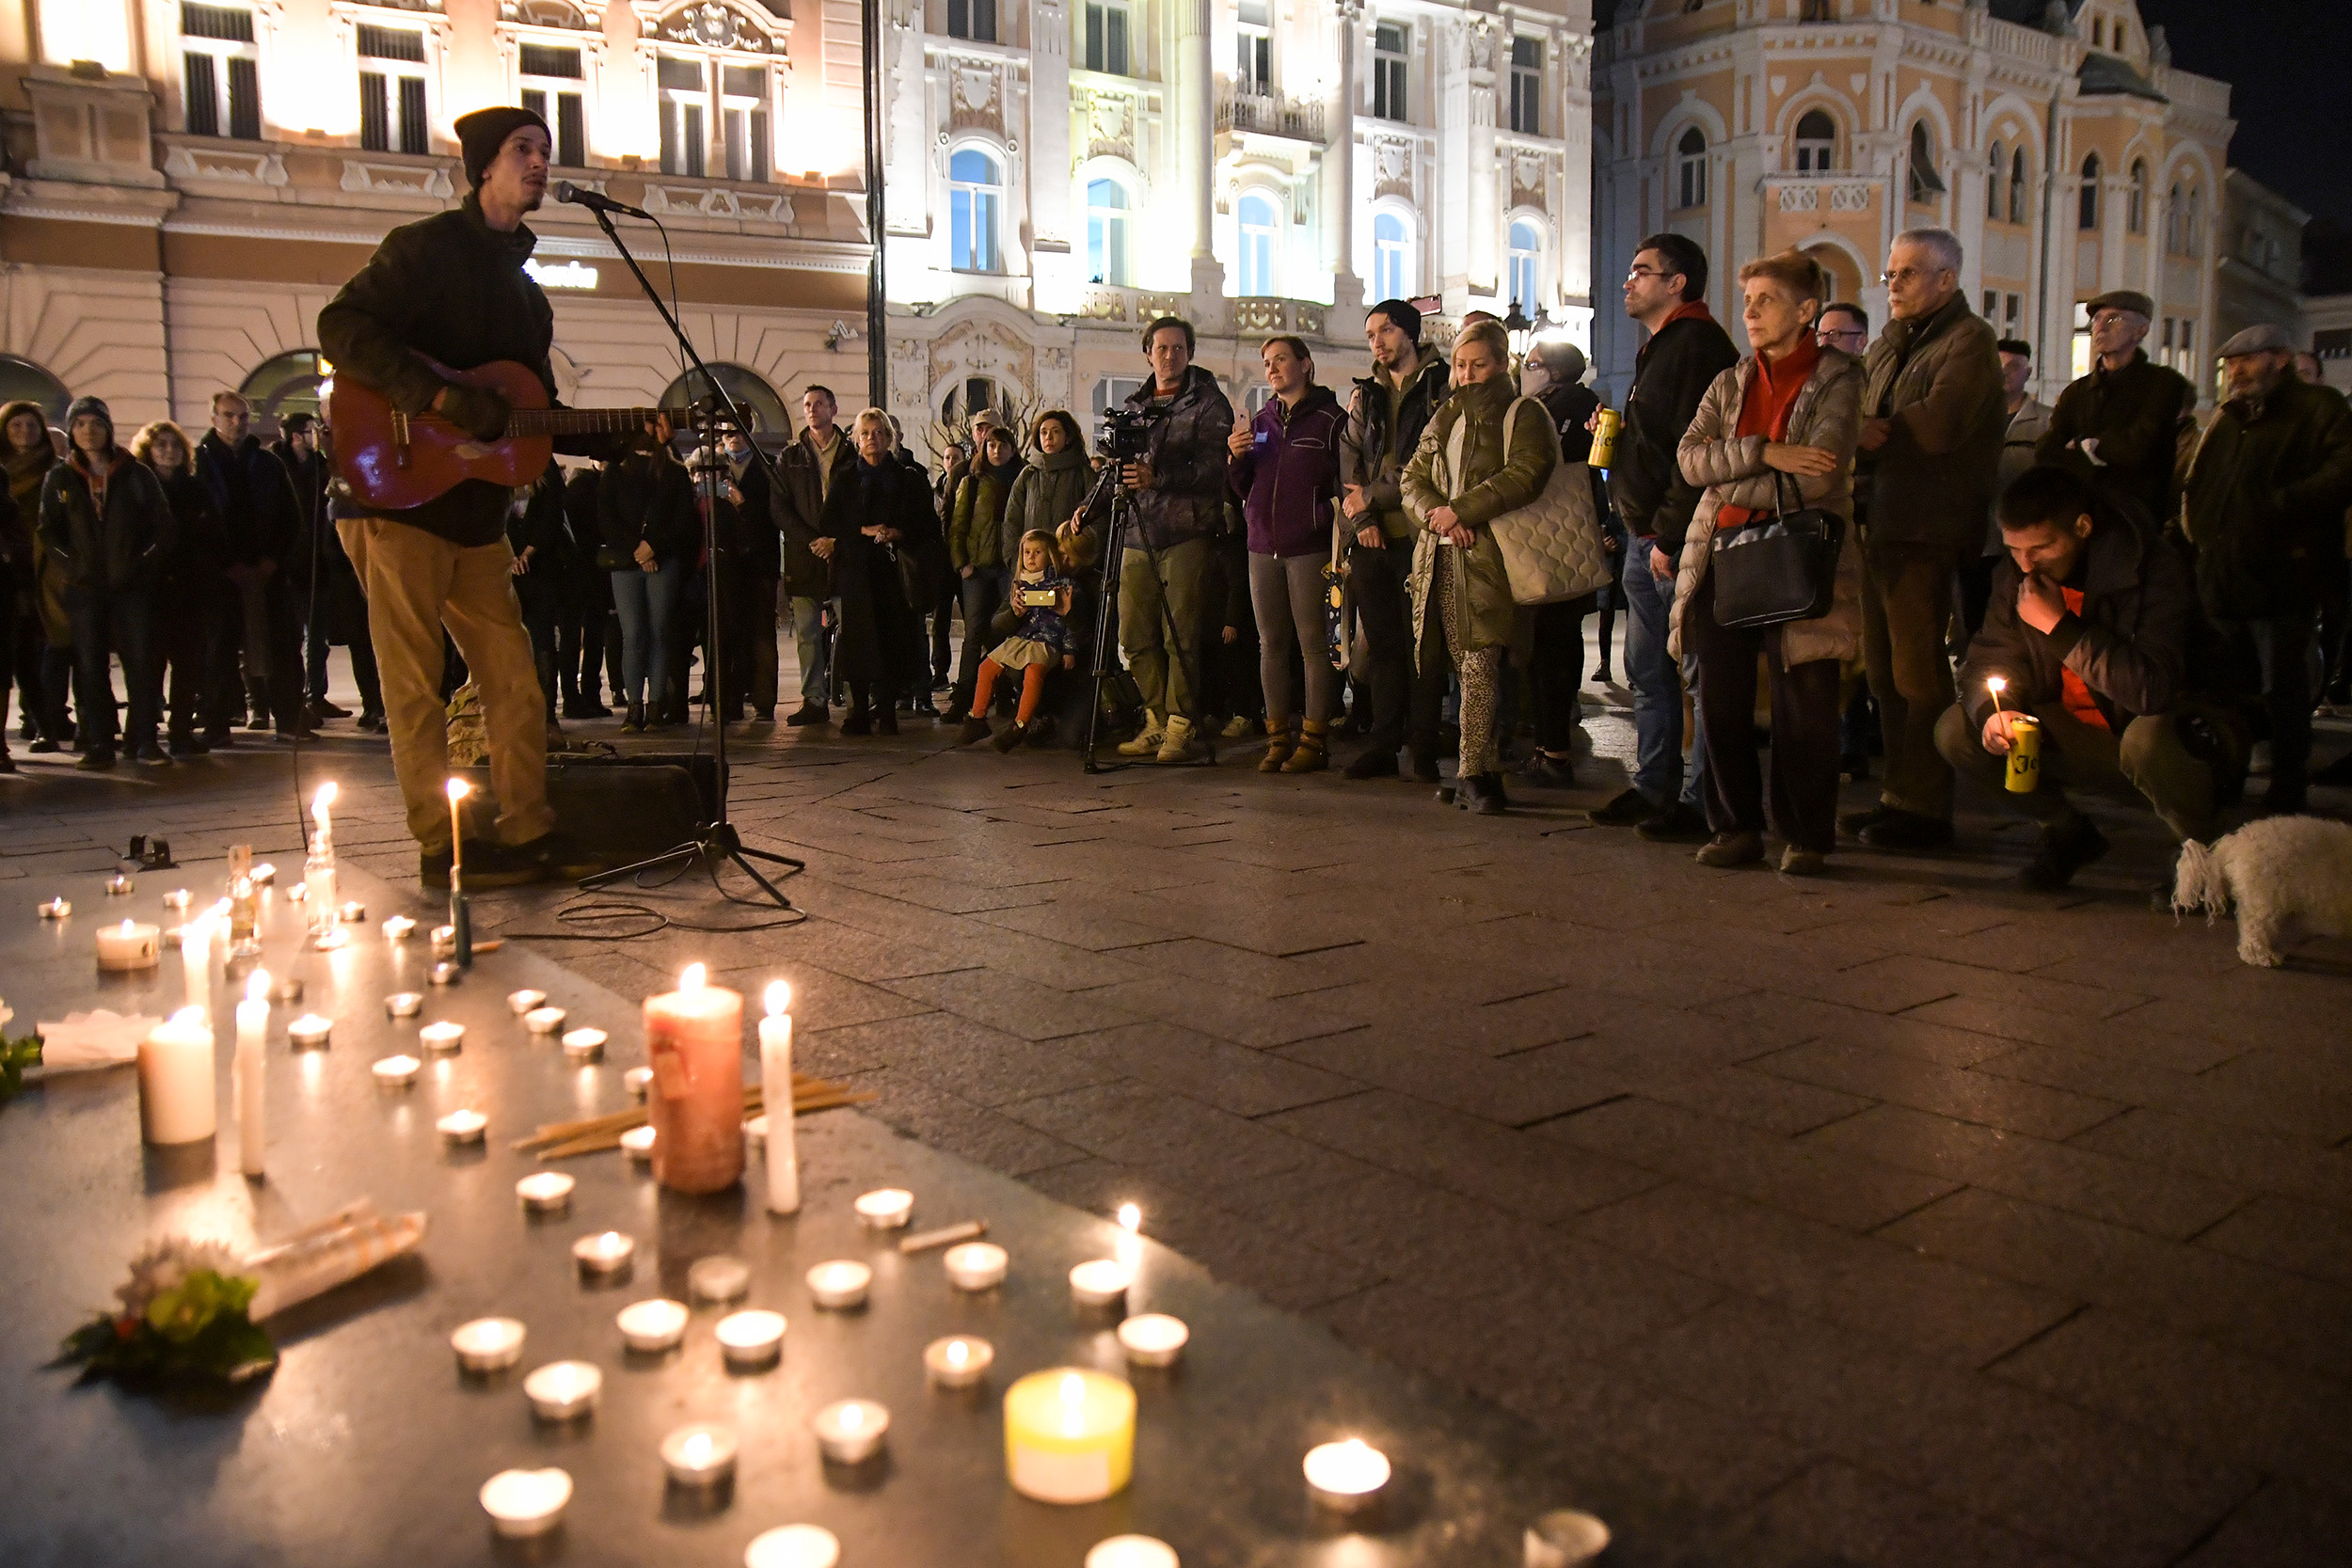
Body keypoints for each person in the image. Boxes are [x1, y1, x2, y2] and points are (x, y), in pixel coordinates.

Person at [316, 103, 621, 887]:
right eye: (524, 149)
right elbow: (342, 325)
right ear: (483, 165)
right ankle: (440, 843)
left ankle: (525, 829)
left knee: (514, 678)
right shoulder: (423, 252)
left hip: (477, 519)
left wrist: (623, 436)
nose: (540, 163)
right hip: (394, 503)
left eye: (546, 151)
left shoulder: (530, 299)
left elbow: (531, 416)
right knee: (414, 686)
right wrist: (438, 399)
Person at [1668, 250, 1864, 875]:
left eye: (1766, 300)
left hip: (1802, 554)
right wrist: (1767, 453)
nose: (1750, 312)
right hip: (1721, 554)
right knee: (1718, 699)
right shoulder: (1731, 380)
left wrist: (1735, 475)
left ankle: (1805, 834)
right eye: (1747, 300)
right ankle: (1736, 826)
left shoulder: (1836, 378)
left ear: (1806, 311)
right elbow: (1690, 459)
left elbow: (1821, 471)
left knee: (1804, 700)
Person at [1938, 465, 2214, 888]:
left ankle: (2205, 856)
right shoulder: (2015, 576)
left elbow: (2152, 690)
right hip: (2079, 734)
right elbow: (1988, 658)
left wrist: (2059, 627)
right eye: (2014, 549)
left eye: (2042, 547)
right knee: (1959, 728)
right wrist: (1998, 712)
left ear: (2083, 527)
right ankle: (2067, 831)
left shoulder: (2151, 568)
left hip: (2171, 739)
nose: (2025, 563)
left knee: (2149, 741)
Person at [1845, 228, 2007, 851]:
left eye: (1908, 273)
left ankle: (1928, 805)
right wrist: (1860, 427)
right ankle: (1897, 795)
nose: (1893, 285)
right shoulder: (1889, 343)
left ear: (1948, 278)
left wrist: (1875, 428)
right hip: (1877, 523)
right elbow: (1854, 409)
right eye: (1889, 274)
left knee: (1918, 673)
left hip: (1924, 528)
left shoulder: (1969, 342)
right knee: (1883, 673)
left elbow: (1936, 426)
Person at [1587, 232, 1738, 839]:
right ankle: (1653, 788)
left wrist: (1672, 535)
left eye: (1643, 271)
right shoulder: (1663, 344)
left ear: (1677, 283)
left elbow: (1694, 450)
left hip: (1676, 539)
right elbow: (1657, 439)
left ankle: (1703, 801)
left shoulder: (1698, 345)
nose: (1629, 281)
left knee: (1697, 672)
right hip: (1644, 533)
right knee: (1647, 670)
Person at [2179, 323, 2352, 815]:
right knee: (2229, 687)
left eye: (2246, 361)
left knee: (2284, 687)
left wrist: (2282, 503)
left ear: (2278, 358)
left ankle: (2288, 785)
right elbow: (2203, 479)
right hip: (2225, 569)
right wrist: (2196, 531)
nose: (2236, 373)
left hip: (2284, 572)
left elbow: (2344, 470)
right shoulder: (2231, 417)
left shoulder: (2320, 409)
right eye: (2231, 365)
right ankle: (2230, 773)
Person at [1401, 319, 1554, 815]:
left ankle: (1473, 772)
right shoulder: (1445, 414)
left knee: (1482, 663)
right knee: (1462, 666)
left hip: (1494, 559)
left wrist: (1462, 510)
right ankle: (1480, 769)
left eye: (1479, 364)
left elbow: (1527, 473)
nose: (1467, 374)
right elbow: (1413, 478)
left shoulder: (1521, 412)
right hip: (1441, 557)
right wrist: (1440, 518)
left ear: (1501, 363)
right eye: (1461, 365)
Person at [1083, 316, 1235, 763]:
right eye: (1162, 349)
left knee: (1180, 634)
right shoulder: (1133, 405)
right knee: (1134, 633)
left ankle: (1181, 722)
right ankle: (1154, 715)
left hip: (1186, 529)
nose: (1170, 357)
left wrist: (1160, 476)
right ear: (1148, 352)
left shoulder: (1208, 403)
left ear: (1190, 353)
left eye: (1178, 349)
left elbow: (1215, 467)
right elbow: (1117, 467)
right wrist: (1088, 507)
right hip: (1136, 529)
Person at [1339, 298, 1452, 782]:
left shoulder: (1441, 385)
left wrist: (1373, 496)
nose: (1377, 343)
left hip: (1421, 533)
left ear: (1409, 331)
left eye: (1384, 332)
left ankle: (1424, 746)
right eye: (1370, 336)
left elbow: (1435, 463)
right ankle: (1384, 744)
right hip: (1373, 537)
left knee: (1424, 645)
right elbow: (1348, 457)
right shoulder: (1367, 393)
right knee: (1382, 645)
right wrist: (1362, 520)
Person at [1228, 335, 1346, 773]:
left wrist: (1321, 517)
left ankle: (1314, 739)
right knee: (1270, 643)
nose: (1272, 368)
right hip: (1262, 544)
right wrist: (1235, 459)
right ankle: (1277, 737)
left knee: (1314, 645)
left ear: (1306, 364)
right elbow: (1246, 486)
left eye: (1280, 359)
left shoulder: (1333, 421)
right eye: (1267, 361)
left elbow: (1343, 484)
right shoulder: (1262, 420)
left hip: (1308, 547)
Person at [38, 397, 176, 769]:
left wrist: (143, 563)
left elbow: (161, 524)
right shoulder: (61, 477)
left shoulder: (134, 473)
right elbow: (49, 531)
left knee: (141, 661)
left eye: (95, 423)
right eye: (80, 424)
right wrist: (71, 566)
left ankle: (143, 738)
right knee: (90, 664)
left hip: (131, 583)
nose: (88, 431)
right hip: (84, 587)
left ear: (108, 428)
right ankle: (99, 741)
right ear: (71, 431)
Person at [196, 390, 310, 740]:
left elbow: (291, 518)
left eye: (243, 416)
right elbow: (194, 522)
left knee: (283, 646)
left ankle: (289, 720)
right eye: (229, 415)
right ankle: (218, 721)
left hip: (267, 571)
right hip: (219, 575)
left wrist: (274, 560)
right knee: (218, 650)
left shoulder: (267, 464)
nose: (236, 422)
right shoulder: (198, 463)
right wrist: (222, 564)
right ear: (214, 418)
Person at [823, 407, 939, 734]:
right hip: (857, 571)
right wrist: (864, 530)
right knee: (857, 643)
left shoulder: (908, 477)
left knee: (892, 643)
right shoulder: (846, 477)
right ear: (857, 441)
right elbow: (830, 520)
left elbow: (927, 524)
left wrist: (897, 533)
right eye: (865, 433)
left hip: (893, 571)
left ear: (889, 438)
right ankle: (858, 712)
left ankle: (887, 711)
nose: (871, 439)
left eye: (878, 433)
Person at [2035, 291, 2191, 527]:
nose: (2100, 327)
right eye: (2097, 319)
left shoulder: (2164, 384)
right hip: (2080, 515)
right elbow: (2046, 452)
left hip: (2134, 519)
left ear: (2141, 330)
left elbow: (2138, 450)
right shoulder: (2077, 392)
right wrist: (2095, 448)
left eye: (2113, 319)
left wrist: (2080, 445)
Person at [1524, 338, 1603, 785]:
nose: (1526, 370)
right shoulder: (1551, 403)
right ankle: (1549, 742)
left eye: (1532, 363)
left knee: (1553, 643)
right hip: (1561, 536)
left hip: (1557, 535)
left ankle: (1553, 746)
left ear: (1553, 372)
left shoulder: (1567, 405)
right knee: (1555, 641)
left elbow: (1556, 463)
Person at [131, 420, 225, 758]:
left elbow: (212, 531)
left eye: (174, 445)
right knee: (149, 665)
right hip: (151, 587)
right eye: (161, 445)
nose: (168, 451)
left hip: (190, 586)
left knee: (188, 664)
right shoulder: (138, 486)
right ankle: (145, 736)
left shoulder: (195, 488)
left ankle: (181, 732)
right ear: (148, 451)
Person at [597, 420, 694, 732]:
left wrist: (654, 547)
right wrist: (638, 551)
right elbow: (606, 517)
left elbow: (682, 519)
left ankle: (655, 705)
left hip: (661, 560)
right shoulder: (616, 471)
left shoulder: (672, 472)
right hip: (628, 563)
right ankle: (634, 705)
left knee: (659, 632)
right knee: (633, 635)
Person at [953, 529, 1078, 752]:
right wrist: (1015, 612)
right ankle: (977, 717)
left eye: (1037, 552)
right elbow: (998, 622)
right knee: (987, 667)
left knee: (1034, 672)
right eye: (1027, 552)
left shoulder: (1062, 583)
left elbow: (1068, 620)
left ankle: (1020, 724)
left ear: (1050, 555)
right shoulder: (1019, 582)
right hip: (1022, 638)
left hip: (1047, 640)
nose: (1030, 557)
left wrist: (1069, 649)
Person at [1963, 339, 2055, 638]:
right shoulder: (1969, 420)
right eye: (1997, 366)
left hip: (2025, 543)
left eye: (2013, 366)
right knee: (1973, 618)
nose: (2004, 373)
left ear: (2028, 372)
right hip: (1976, 539)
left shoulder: (2047, 422)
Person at [774, 386, 852, 725]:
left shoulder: (851, 453)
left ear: (833, 409)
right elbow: (780, 508)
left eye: (819, 403)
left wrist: (836, 539)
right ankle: (814, 699)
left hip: (843, 554)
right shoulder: (790, 458)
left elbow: (859, 504)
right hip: (804, 556)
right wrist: (811, 540)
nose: (812, 409)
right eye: (807, 404)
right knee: (807, 632)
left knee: (850, 629)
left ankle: (853, 697)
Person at [945, 423, 1024, 723]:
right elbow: (957, 525)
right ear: (983, 448)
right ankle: (964, 695)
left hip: (1009, 570)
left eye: (1002, 445)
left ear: (1012, 449)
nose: (996, 450)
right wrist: (961, 562)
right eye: (991, 445)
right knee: (974, 633)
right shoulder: (972, 480)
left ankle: (1004, 694)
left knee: (1006, 631)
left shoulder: (1023, 479)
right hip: (977, 569)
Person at [3, 401, 67, 756]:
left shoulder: (55, 470)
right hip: (8, 571)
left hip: (46, 567)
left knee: (47, 649)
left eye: (30, 426)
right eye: (16, 426)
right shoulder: (2, 470)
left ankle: (47, 722)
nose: (24, 433)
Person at [716, 427, 782, 721]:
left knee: (762, 633)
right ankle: (729, 700)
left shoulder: (767, 465)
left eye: (738, 430)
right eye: (728, 432)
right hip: (726, 561)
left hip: (761, 560)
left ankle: (764, 700)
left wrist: (742, 503)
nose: (734, 436)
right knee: (727, 632)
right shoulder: (714, 466)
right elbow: (708, 502)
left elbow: (776, 508)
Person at [559, 462, 614, 719]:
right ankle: (584, 694)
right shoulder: (588, 486)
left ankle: (580, 695)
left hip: (581, 569)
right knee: (588, 635)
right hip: (589, 569)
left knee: (583, 635)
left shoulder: (580, 486)